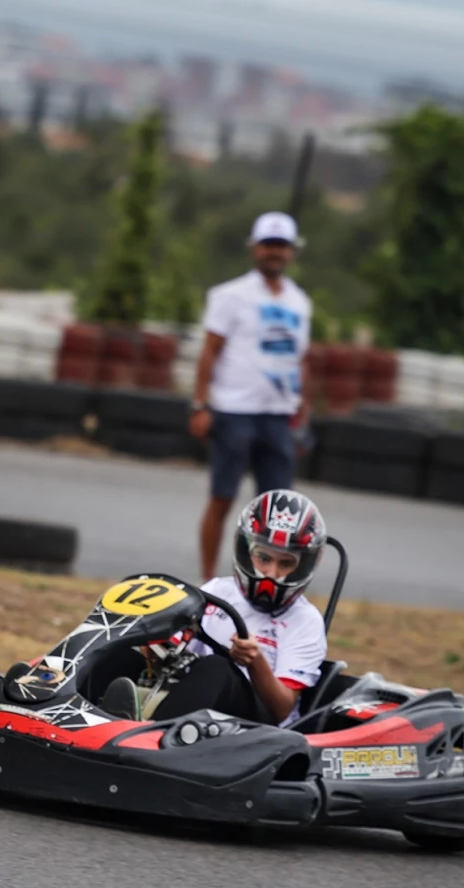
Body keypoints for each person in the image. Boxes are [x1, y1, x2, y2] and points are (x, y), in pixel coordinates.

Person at [188, 211, 313, 581]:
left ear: (292, 251)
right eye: (268, 244)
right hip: (235, 411)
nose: (275, 252)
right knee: (222, 498)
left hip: (277, 415)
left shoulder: (299, 302)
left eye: (282, 245)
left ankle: (266, 583)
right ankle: (209, 580)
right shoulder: (230, 296)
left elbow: (300, 359)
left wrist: (302, 410)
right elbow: (210, 351)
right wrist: (199, 404)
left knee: (278, 514)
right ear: (254, 248)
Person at [150, 489, 328, 727]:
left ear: (304, 566)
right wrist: (152, 638)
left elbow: (282, 709)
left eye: (286, 563)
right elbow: (170, 653)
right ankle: (104, 718)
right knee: (124, 651)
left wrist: (256, 662)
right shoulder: (216, 591)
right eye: (263, 558)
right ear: (246, 552)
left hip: (258, 728)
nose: (271, 574)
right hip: (197, 709)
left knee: (217, 668)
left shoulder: (306, 621)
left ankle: (148, 736)